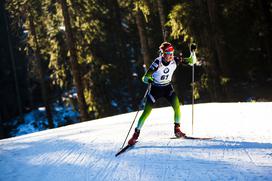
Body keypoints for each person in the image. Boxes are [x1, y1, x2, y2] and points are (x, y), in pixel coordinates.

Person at [128, 42, 196, 145]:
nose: (171, 56)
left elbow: (192, 61)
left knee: (177, 107)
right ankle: (135, 135)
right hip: (155, 89)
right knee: (146, 112)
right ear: (163, 53)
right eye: (168, 53)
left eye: (172, 53)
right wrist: (149, 79)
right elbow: (144, 78)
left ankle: (177, 130)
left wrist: (193, 52)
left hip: (167, 88)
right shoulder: (157, 62)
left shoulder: (175, 60)